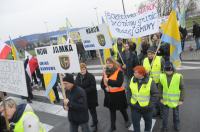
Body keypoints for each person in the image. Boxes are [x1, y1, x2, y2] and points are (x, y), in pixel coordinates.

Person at [101, 57, 130, 132]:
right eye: (107, 63)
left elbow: (119, 83)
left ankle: (126, 120)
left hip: (119, 95)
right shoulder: (105, 72)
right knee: (112, 111)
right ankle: (112, 126)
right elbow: (102, 83)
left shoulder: (119, 71)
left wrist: (109, 81)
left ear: (113, 63)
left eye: (110, 63)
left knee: (122, 109)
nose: (109, 64)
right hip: (110, 95)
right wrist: (105, 87)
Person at [127, 66, 159, 132]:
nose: (134, 74)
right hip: (135, 106)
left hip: (146, 108)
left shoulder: (150, 81)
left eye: (136, 73)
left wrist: (150, 105)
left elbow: (155, 94)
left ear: (141, 74)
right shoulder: (132, 79)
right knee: (135, 123)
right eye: (134, 72)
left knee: (148, 123)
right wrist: (129, 101)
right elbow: (129, 90)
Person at [159, 62, 184, 132]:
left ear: (173, 69)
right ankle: (164, 127)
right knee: (165, 115)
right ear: (164, 70)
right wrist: (160, 98)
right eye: (167, 70)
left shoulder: (178, 76)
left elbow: (182, 88)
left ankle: (177, 125)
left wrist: (181, 99)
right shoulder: (162, 76)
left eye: (170, 70)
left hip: (175, 100)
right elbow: (160, 88)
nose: (169, 72)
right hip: (165, 100)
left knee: (176, 114)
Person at [75, 63, 98, 132]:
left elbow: (93, 87)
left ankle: (95, 123)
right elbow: (76, 86)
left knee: (93, 112)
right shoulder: (78, 77)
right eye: (81, 69)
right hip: (82, 99)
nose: (82, 71)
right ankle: (84, 126)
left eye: (83, 69)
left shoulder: (91, 76)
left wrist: (83, 91)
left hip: (91, 98)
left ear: (86, 69)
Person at [143, 46, 165, 117]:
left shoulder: (160, 59)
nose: (150, 55)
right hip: (149, 82)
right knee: (152, 98)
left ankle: (161, 113)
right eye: (148, 54)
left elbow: (164, 71)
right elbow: (143, 71)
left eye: (151, 54)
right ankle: (154, 112)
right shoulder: (145, 60)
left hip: (158, 82)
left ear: (155, 53)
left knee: (160, 98)